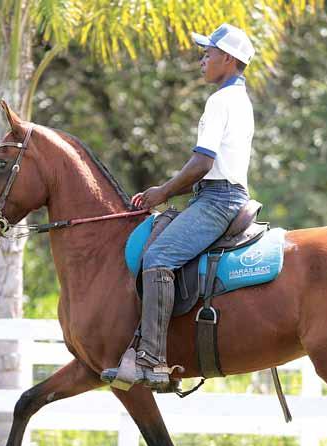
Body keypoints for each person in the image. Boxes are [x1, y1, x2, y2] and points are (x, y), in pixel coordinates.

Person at [105, 23, 256, 390]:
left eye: (209, 53)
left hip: (218, 198)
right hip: (217, 195)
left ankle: (153, 360)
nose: (202, 59)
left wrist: (163, 192)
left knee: (158, 258)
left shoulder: (220, 101)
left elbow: (202, 163)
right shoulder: (238, 99)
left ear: (229, 59)